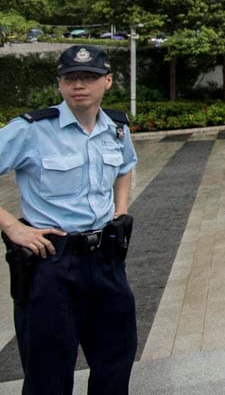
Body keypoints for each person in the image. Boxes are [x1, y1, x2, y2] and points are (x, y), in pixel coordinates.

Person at [0, 44, 138, 393]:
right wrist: (12, 227)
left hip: (106, 260)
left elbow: (124, 167)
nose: (79, 85)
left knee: (115, 361)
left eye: (89, 77)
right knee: (48, 372)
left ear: (107, 81)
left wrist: (121, 210)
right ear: (60, 84)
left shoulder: (117, 127)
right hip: (51, 263)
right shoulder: (30, 129)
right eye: (71, 77)